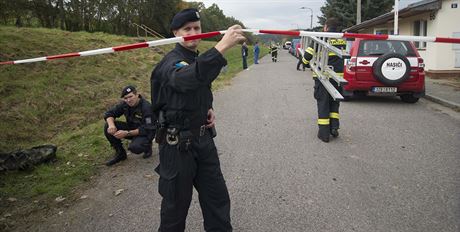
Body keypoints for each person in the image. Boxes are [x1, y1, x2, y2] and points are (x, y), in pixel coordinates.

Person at [150, 8, 245, 231]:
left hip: (203, 141)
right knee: (175, 209)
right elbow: (186, 80)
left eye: (197, 28)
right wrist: (222, 46)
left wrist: (207, 108)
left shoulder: (194, 58)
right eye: (187, 29)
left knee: (217, 199)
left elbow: (199, 85)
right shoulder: (170, 62)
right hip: (177, 147)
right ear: (176, 32)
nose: (193, 32)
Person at [302, 18, 346, 143]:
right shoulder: (341, 39)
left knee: (323, 104)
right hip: (337, 78)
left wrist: (304, 63)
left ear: (326, 27)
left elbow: (308, 55)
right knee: (334, 104)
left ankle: (324, 134)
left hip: (323, 77)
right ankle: (334, 128)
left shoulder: (321, 38)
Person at [103, 85, 155, 166]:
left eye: (130, 96)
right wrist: (111, 126)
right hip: (131, 128)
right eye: (125, 98)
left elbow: (148, 129)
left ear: (137, 95)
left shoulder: (146, 107)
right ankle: (120, 153)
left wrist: (127, 133)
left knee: (135, 147)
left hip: (144, 133)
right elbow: (109, 114)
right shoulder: (125, 104)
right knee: (107, 126)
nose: (128, 100)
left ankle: (147, 146)